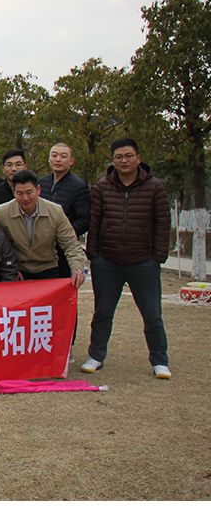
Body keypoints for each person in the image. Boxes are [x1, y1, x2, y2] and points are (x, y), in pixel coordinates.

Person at [82, 138, 171, 379]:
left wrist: (157, 257)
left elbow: (163, 223)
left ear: (138, 158)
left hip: (143, 262)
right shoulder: (102, 187)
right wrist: (94, 255)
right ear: (113, 161)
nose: (124, 160)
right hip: (107, 262)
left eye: (129, 156)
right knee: (102, 313)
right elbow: (95, 221)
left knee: (152, 313)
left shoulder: (154, 187)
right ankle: (96, 355)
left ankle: (159, 360)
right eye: (119, 157)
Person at [0, 170, 87, 284]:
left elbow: (70, 244)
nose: (25, 198)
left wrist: (77, 268)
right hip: (17, 270)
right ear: (14, 192)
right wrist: (9, 268)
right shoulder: (2, 212)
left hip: (48, 268)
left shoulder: (55, 211)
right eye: (20, 193)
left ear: (38, 190)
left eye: (29, 192)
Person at [39, 142, 90, 276]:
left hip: (64, 248)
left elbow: (84, 220)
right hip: (41, 248)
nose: (58, 159)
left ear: (71, 161)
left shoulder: (78, 186)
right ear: (48, 159)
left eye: (63, 156)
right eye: (54, 155)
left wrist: (63, 234)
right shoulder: (41, 184)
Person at [0, 149, 28, 215]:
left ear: (25, 167)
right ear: (3, 168)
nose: (13, 169)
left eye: (18, 164)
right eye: (9, 165)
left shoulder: (34, 191)